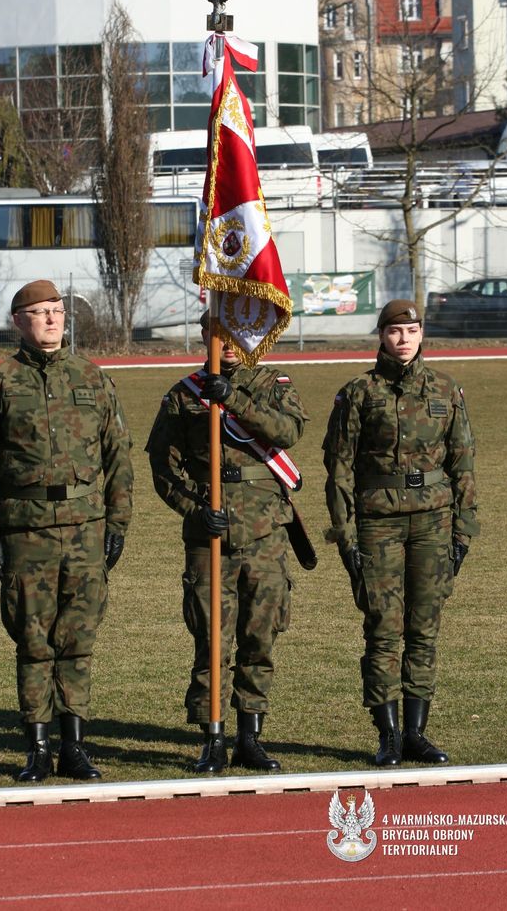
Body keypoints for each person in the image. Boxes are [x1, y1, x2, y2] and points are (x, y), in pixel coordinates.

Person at [0, 280, 133, 782]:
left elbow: (119, 455)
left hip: (85, 528)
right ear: (18, 322)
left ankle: (74, 746)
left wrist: (118, 522)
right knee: (33, 641)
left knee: (78, 639)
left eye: (57, 311)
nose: (52, 320)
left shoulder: (93, 378)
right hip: (26, 531)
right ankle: (37, 747)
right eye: (39, 312)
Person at [146, 310, 308, 774]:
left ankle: (250, 737)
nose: (229, 344)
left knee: (260, 635)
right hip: (209, 532)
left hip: (266, 533)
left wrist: (233, 397)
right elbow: (163, 467)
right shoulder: (184, 395)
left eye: (237, 335)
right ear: (204, 337)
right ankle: (211, 736)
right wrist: (194, 509)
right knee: (211, 639)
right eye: (219, 335)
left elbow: (288, 431)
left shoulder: (273, 384)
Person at [322, 299, 479, 767]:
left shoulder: (446, 390)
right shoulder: (359, 393)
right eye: (395, 331)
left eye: (411, 330)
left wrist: (464, 531)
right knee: (384, 630)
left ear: (421, 334)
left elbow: (463, 462)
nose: (404, 339)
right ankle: (387, 734)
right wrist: (344, 535)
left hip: (434, 522)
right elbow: (339, 469)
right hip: (379, 524)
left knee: (424, 630)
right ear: (381, 336)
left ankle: (417, 733)